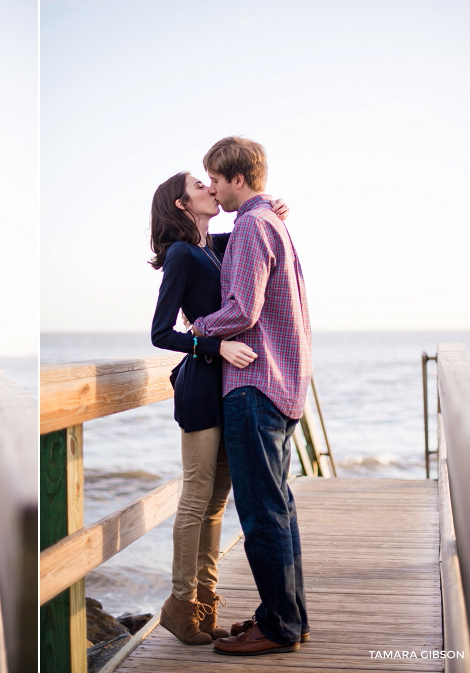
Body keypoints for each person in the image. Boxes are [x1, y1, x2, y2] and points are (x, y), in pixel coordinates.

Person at [149, 172, 287, 646]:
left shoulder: (215, 246)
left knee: (216, 505)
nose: (211, 189)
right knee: (196, 499)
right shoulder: (183, 256)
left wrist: (274, 210)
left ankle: (205, 604)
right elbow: (161, 333)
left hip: (230, 385)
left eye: (211, 182)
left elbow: (253, 228)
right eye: (198, 185)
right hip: (201, 387)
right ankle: (179, 604)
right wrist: (217, 346)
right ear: (182, 204)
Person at [190, 136, 312, 656]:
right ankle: (287, 616)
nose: (214, 189)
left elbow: (242, 309)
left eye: (216, 180)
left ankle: (280, 627)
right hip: (283, 383)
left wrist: (197, 327)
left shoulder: (251, 226)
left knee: (261, 512)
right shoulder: (271, 221)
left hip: (255, 385)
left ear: (237, 178)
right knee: (278, 508)